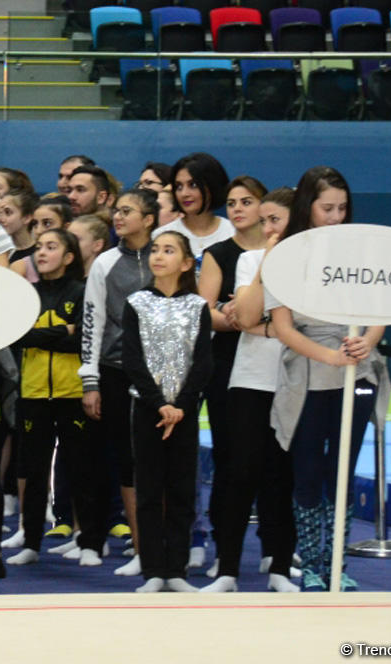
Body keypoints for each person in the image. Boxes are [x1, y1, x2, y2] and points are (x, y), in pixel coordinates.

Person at [257, 167, 389, 592]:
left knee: (343, 472)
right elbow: (283, 327)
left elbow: (379, 310)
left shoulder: (361, 252)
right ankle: (312, 562)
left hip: (358, 374)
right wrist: (329, 355)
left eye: (342, 208)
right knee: (308, 472)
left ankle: (337, 563)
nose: (335, 216)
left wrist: (366, 342)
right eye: (327, 207)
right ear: (307, 208)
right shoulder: (284, 254)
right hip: (309, 373)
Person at [202, 187, 300, 593]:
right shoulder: (248, 260)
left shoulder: (312, 267)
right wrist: (267, 266)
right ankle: (227, 569)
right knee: (240, 471)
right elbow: (243, 316)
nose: (271, 229)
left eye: (278, 221)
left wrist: (268, 326)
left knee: (282, 475)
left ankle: (278, 566)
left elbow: (303, 326)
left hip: (294, 379)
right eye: (268, 222)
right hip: (249, 379)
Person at [5, 229, 102, 568]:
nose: (42, 253)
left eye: (51, 247)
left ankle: (89, 541)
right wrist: (62, 331)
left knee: (81, 469)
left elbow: (84, 340)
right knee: (32, 471)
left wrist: (43, 336)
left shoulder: (82, 292)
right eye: (39, 248)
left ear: (70, 256)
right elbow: (15, 336)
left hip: (73, 392)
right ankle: (31, 541)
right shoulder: (26, 294)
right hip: (32, 393)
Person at [122, 231, 213, 593]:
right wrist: (158, 402)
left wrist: (182, 405)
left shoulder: (198, 306)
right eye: (156, 250)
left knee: (180, 489)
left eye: (169, 250)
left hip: (185, 412)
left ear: (187, 263)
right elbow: (132, 359)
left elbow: (203, 362)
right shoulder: (137, 303)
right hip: (147, 409)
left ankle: (176, 569)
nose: (159, 255)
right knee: (148, 490)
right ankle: (152, 570)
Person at [78, 188, 159, 578]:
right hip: (115, 371)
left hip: (164, 376)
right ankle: (142, 551)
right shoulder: (105, 264)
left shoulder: (169, 257)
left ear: (149, 219)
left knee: (163, 463)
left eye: (128, 211)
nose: (119, 217)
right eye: (117, 211)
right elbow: (92, 322)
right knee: (126, 462)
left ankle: (169, 549)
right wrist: (89, 380)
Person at [196, 175, 269, 573]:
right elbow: (204, 312)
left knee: (273, 459)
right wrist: (239, 318)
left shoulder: (281, 253)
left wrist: (244, 313)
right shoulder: (217, 253)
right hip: (225, 363)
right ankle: (224, 546)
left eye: (246, 201)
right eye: (232, 202)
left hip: (275, 360)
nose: (237, 208)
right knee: (229, 457)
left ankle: (274, 547)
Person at [155, 153, 233, 274]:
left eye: (193, 185)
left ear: (212, 186)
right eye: (179, 186)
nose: (184, 193)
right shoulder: (161, 235)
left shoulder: (232, 233)